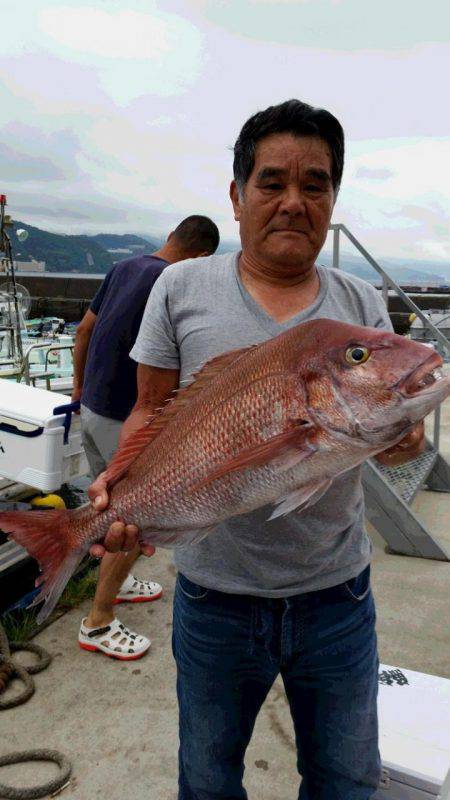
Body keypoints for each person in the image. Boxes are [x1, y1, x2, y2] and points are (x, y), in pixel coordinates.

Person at [89, 100, 425, 795]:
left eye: (315, 184)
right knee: (208, 779)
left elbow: (379, 443)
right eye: (272, 182)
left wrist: (402, 441)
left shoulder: (361, 302)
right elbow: (150, 406)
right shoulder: (180, 285)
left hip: (337, 595)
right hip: (215, 595)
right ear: (237, 195)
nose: (294, 202)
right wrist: (117, 491)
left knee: (346, 780)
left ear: (333, 198)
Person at [72, 215, 220, 660]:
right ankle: (98, 621)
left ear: (171, 236)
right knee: (129, 518)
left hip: (93, 409)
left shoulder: (123, 267)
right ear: (202, 257)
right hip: (127, 420)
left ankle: (119, 584)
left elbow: (83, 331)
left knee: (106, 506)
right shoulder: (174, 282)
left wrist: (78, 389)